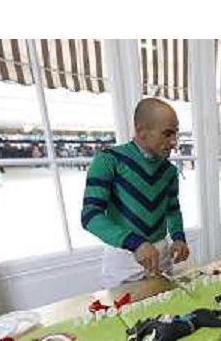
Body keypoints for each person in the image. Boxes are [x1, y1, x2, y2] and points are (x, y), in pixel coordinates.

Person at [81, 97, 190, 288]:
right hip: (123, 260)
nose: (174, 142)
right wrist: (135, 243)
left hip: (162, 258)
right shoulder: (108, 161)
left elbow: (172, 210)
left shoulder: (169, 171)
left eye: (175, 134)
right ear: (141, 131)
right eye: (167, 134)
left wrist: (179, 237)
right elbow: (90, 216)